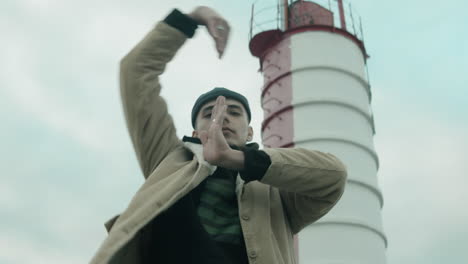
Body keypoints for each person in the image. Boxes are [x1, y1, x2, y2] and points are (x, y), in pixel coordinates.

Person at [91, 6, 347, 264]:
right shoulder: (168, 159)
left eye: (233, 112)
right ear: (195, 132)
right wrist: (192, 18)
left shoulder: (276, 193)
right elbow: (135, 71)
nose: (221, 117)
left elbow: (334, 177)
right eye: (208, 113)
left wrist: (236, 159)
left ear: (249, 132)